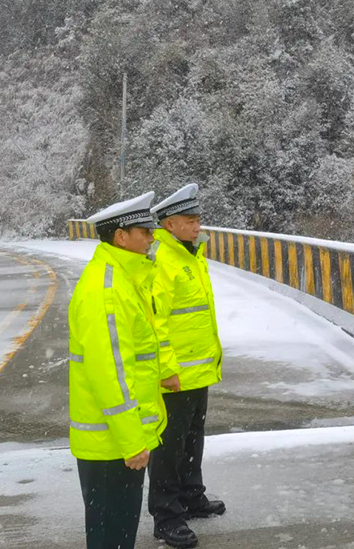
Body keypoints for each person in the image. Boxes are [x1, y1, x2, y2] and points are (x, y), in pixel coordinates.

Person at [68, 191, 170, 549]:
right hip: (112, 442)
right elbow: (109, 372)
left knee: (116, 531)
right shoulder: (107, 290)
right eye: (145, 231)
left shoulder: (122, 278)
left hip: (116, 438)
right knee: (111, 534)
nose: (152, 237)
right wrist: (131, 441)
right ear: (121, 236)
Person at [147, 183, 224, 549]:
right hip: (175, 374)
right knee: (168, 446)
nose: (197, 227)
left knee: (192, 439)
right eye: (189, 221)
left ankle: (191, 495)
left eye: (198, 220)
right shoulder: (162, 260)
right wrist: (166, 367)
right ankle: (166, 515)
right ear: (168, 225)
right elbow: (156, 321)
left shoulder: (191, 256)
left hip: (197, 370)